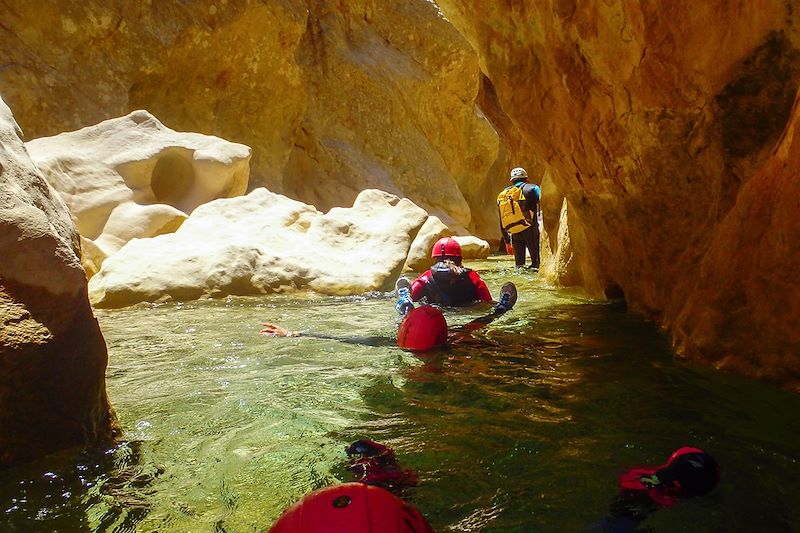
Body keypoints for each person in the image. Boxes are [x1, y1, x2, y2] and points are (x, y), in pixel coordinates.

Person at [595, 446, 721, 532]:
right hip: (641, 501)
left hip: (635, 499)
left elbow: (627, 475)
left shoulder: (656, 478)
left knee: (612, 524)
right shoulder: (669, 491)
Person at [404, 237, 493, 306]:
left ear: (435, 259)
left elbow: (411, 296)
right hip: (468, 318)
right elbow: (488, 302)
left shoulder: (426, 278)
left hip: (438, 317)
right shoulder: (472, 276)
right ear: (460, 259)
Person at [497, 167, 541, 269]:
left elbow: (501, 219)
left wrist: (507, 242)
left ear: (512, 180)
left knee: (519, 266)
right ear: (526, 178)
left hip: (514, 231)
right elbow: (544, 203)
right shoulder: (533, 188)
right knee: (536, 264)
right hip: (530, 229)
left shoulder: (504, 194)